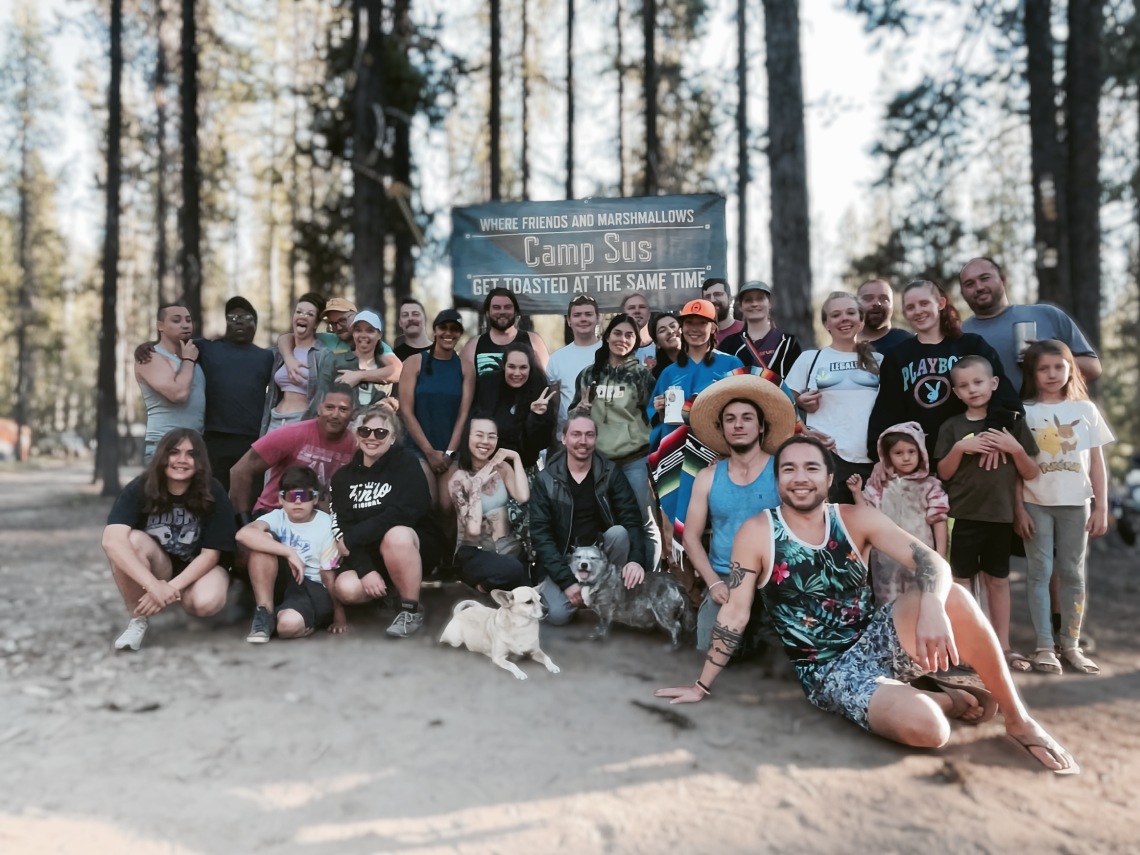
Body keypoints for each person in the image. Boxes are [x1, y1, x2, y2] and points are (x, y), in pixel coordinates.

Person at [656, 436, 1079, 776]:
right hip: (829, 670)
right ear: (777, 478)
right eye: (788, 469)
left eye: (810, 468)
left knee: (953, 595)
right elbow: (735, 613)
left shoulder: (854, 518)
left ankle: (1019, 719)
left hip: (877, 635)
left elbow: (929, 559)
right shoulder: (759, 530)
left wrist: (931, 602)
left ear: (828, 476)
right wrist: (702, 684)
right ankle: (945, 696)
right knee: (932, 730)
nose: (799, 478)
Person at [935, 356, 1039, 674]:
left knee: (998, 581)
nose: (972, 390)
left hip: (1000, 516)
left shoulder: (1013, 424)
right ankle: (968, 645)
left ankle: (1003, 646)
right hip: (962, 515)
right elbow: (943, 472)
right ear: (956, 392)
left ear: (993, 384)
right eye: (964, 386)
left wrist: (1014, 448)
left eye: (978, 382)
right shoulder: (952, 426)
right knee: (961, 581)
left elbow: (1031, 472)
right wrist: (960, 449)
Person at [1014, 341, 1113, 675]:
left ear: (1071, 368)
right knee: (1039, 574)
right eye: (1044, 368)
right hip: (1035, 502)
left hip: (1077, 505)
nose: (1052, 374)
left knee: (1072, 573)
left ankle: (1071, 645)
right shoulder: (1024, 411)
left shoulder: (1085, 410)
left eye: (1059, 366)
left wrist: (1102, 507)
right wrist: (1019, 510)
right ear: (1032, 372)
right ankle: (1045, 647)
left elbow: (1097, 463)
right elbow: (1015, 467)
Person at [682, 374, 796, 649]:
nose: (738, 425)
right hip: (725, 577)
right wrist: (712, 584)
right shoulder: (707, 477)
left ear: (761, 427)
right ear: (722, 430)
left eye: (747, 417)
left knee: (789, 657)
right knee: (712, 652)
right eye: (730, 419)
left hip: (777, 574)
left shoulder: (782, 472)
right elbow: (690, 538)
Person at [102, 428, 235, 651]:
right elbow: (111, 540)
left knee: (205, 603)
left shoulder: (213, 490)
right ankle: (138, 620)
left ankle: (178, 598)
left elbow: (211, 555)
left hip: (198, 569)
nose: (182, 460)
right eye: (174, 452)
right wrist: (154, 585)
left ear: (200, 461)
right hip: (159, 566)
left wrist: (169, 588)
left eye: (191, 454)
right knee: (131, 541)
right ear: (162, 455)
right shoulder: (141, 487)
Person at [868, 279, 1022, 463]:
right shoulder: (898, 356)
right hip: (921, 463)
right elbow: (888, 411)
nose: (918, 311)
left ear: (941, 303)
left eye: (924, 303)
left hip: (976, 456)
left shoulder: (972, 345)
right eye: (910, 307)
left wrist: (992, 438)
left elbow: (1004, 397)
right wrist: (880, 458)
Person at [135, 296, 273, 489]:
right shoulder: (206, 348)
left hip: (252, 439)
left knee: (249, 495)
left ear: (256, 324)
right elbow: (173, 343)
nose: (239, 321)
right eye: (233, 318)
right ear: (226, 323)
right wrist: (146, 346)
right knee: (210, 493)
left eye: (247, 318)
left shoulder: (267, 356)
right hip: (212, 440)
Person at [330, 404, 441, 638]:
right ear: (356, 436)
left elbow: (410, 509)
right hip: (369, 554)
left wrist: (355, 536)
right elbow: (344, 528)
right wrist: (366, 570)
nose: (372, 437)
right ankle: (387, 592)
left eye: (381, 433)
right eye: (365, 431)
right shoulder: (342, 478)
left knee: (396, 535)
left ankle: (410, 609)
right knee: (346, 589)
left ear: (392, 438)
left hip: (411, 547)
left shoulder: (406, 463)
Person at [530, 412, 650, 625]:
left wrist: (635, 560)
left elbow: (631, 518)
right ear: (564, 438)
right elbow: (541, 535)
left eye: (589, 435)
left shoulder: (610, 472)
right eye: (576, 434)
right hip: (564, 558)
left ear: (596, 438)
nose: (583, 441)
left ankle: (610, 595)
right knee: (557, 616)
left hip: (601, 553)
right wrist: (566, 581)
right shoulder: (546, 479)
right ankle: (582, 594)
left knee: (620, 533)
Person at [569, 313, 661, 571]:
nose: (622, 339)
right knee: (606, 524)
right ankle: (612, 580)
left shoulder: (643, 376)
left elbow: (653, 416)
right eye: (618, 333)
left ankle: (648, 578)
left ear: (636, 341)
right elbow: (573, 417)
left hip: (635, 460)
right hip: (599, 463)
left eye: (629, 335)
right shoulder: (589, 375)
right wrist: (582, 409)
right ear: (607, 335)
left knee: (644, 522)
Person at [785, 291, 883, 503]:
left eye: (850, 313)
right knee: (832, 530)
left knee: (871, 532)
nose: (844, 319)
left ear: (861, 319)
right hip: (827, 458)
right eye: (836, 315)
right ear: (826, 323)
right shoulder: (810, 359)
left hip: (874, 462)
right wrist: (803, 426)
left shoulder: (879, 360)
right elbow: (782, 404)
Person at [236, 466, 346, 643]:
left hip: (312, 586)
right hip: (284, 579)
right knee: (261, 540)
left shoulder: (326, 525)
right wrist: (289, 552)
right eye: (291, 496)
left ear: (315, 499)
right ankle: (264, 613)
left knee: (287, 627)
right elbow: (243, 535)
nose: (297, 502)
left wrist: (339, 615)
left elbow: (328, 575)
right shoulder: (277, 516)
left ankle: (295, 620)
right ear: (281, 499)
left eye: (304, 496)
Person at [958, 257, 1101, 390]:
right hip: (993, 417)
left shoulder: (1047, 314)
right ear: (963, 293)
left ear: (1002, 279)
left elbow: (1093, 369)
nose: (979, 287)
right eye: (969, 284)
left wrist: (1050, 359)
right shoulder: (957, 335)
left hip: (1049, 415)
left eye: (985, 278)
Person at [849, 422, 949, 605]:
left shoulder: (930, 486)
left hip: (921, 559)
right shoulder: (879, 485)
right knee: (888, 605)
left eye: (912, 452)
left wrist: (940, 556)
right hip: (886, 562)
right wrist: (857, 492)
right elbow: (867, 516)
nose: (906, 458)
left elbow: (939, 520)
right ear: (887, 456)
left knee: (920, 602)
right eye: (898, 453)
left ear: (921, 453)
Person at [229, 385, 358, 519]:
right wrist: (243, 521)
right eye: (329, 407)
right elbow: (240, 471)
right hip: (274, 513)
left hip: (321, 520)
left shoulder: (357, 445)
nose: (335, 415)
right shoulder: (292, 434)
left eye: (343, 409)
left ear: (353, 414)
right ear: (319, 408)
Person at [447, 418, 532, 593]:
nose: (485, 442)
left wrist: (515, 457)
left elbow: (523, 496)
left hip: (508, 547)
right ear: (467, 437)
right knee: (514, 569)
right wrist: (476, 485)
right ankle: (484, 586)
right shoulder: (459, 479)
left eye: (491, 436)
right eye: (479, 435)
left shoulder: (502, 468)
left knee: (528, 589)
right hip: (476, 553)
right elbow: (473, 530)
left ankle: (500, 583)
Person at [649, 299, 743, 449]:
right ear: (682, 327)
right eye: (689, 322)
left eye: (702, 323)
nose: (694, 328)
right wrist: (660, 409)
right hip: (678, 453)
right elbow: (659, 419)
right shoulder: (669, 373)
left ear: (713, 328)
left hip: (719, 451)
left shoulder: (731, 364)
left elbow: (744, 409)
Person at [399, 309, 475, 483]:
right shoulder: (414, 362)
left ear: (460, 334)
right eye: (443, 328)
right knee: (428, 501)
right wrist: (429, 451)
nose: (448, 333)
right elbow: (406, 411)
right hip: (417, 448)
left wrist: (449, 454)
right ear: (435, 330)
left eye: (454, 329)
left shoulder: (466, 368)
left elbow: (463, 415)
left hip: (451, 450)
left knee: (449, 505)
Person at [279, 297, 402, 391]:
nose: (337, 327)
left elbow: (398, 371)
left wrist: (359, 376)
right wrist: (289, 359)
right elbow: (287, 338)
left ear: (355, 316)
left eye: (342, 320)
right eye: (332, 323)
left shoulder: (373, 344)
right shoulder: (328, 339)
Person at [134, 303, 206, 462]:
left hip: (194, 447)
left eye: (188, 320)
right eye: (176, 320)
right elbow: (178, 394)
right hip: (164, 446)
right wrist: (188, 359)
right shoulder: (150, 357)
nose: (185, 324)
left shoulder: (193, 355)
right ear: (161, 326)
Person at [473, 343, 558, 469]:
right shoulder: (488, 385)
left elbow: (541, 443)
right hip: (487, 465)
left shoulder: (538, 388)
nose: (517, 373)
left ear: (530, 368)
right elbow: (474, 426)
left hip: (523, 467)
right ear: (504, 366)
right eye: (511, 367)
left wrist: (536, 417)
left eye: (523, 367)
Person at [261, 292, 328, 434]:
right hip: (274, 419)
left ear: (316, 323)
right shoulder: (280, 353)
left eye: (309, 314)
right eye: (299, 312)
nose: (303, 316)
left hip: (302, 422)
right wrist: (289, 358)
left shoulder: (322, 354)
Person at [308, 310, 396, 417]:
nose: (363, 335)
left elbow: (388, 402)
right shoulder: (334, 360)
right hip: (339, 426)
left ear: (379, 335)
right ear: (353, 334)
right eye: (358, 330)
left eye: (370, 331)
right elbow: (320, 399)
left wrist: (388, 404)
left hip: (371, 430)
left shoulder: (384, 368)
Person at [718, 281, 802, 382]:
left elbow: (799, 383)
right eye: (748, 300)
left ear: (770, 303)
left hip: (780, 398)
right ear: (740, 306)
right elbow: (720, 382)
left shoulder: (789, 343)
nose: (754, 304)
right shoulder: (729, 344)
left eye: (760, 299)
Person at [546, 294, 603, 435]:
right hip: (569, 437)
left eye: (588, 314)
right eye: (577, 315)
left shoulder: (610, 352)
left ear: (597, 318)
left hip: (607, 436)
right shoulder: (556, 358)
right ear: (569, 320)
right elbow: (554, 406)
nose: (583, 319)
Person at [461, 287, 550, 376]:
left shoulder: (533, 341)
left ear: (515, 312)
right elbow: (466, 385)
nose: (502, 311)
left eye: (507, 307)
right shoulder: (473, 346)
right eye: (496, 307)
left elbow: (547, 381)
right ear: (487, 313)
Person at [857, 278, 911, 354]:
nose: (877, 303)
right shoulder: (842, 345)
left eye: (884, 299)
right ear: (856, 305)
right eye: (868, 298)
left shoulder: (908, 343)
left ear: (892, 306)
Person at [702, 278, 743, 344]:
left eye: (718, 294)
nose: (712, 300)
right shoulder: (699, 334)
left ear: (730, 299)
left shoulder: (745, 331)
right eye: (708, 296)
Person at [621, 291, 657, 364]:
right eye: (631, 308)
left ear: (649, 313)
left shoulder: (660, 348)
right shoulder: (617, 350)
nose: (637, 311)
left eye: (642, 307)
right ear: (623, 314)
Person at [648, 311, 682, 380]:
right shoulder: (657, 376)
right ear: (657, 343)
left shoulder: (700, 361)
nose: (670, 331)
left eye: (673, 326)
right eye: (662, 330)